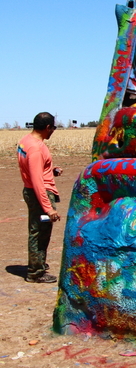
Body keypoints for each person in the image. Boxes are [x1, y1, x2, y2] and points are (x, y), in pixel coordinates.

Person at [17, 112, 62, 283]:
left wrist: (51, 170)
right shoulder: (36, 148)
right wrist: (48, 208)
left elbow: (34, 170)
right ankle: (36, 272)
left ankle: (39, 263)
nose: (53, 131)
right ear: (48, 127)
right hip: (39, 195)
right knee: (40, 232)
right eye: (53, 128)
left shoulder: (25, 141)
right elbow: (37, 181)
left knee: (38, 230)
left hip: (32, 191)